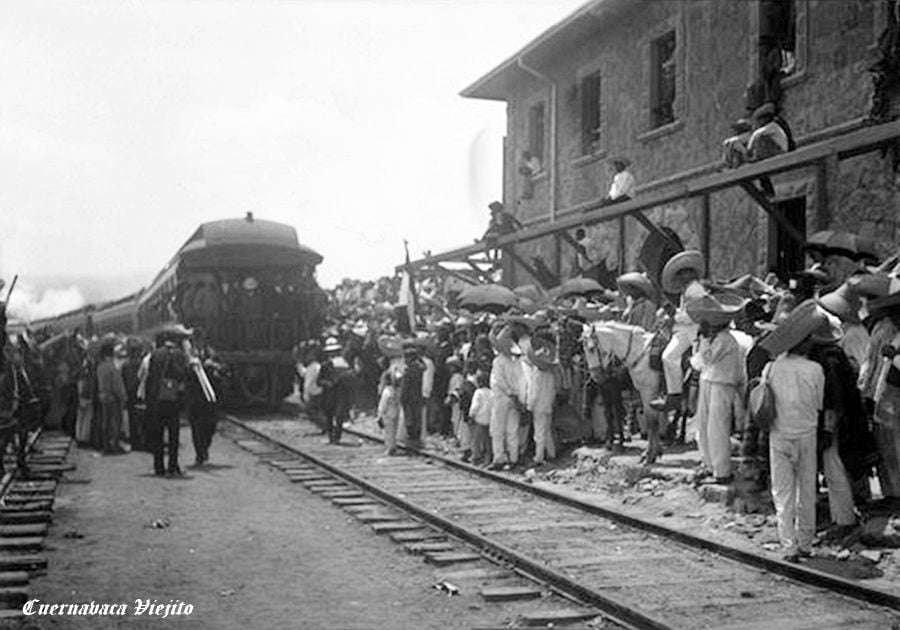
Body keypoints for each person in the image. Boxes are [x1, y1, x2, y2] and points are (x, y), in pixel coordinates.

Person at [760, 301, 827, 562]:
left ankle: (788, 546)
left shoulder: (772, 368)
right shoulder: (815, 370)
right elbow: (818, 405)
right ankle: (806, 544)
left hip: (779, 434)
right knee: (806, 490)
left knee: (782, 492)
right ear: (803, 343)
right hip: (807, 434)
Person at [653, 250, 705, 412]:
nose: (681, 277)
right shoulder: (687, 290)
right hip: (684, 330)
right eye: (680, 273)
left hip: (693, 331)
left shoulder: (695, 290)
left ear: (690, 273)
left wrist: (673, 316)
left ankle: (674, 394)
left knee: (668, 357)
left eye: (684, 273)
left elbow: (694, 314)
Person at [143, 329, 190, 476]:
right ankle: (172, 466)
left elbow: (149, 377)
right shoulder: (180, 355)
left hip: (158, 399)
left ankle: (159, 467)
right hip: (173, 400)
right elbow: (183, 377)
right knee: (173, 436)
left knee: (158, 435)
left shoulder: (155, 354)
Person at [488, 324, 525, 470]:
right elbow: (522, 381)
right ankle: (513, 458)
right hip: (515, 398)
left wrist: (510, 393)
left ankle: (499, 459)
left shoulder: (498, 361)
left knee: (497, 430)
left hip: (501, 398)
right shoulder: (517, 362)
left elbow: (499, 381)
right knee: (512, 430)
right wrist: (518, 397)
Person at [185, 342, 220, 466]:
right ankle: (200, 454)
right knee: (196, 428)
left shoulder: (211, 353)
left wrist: (214, 366)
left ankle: (205, 448)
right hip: (195, 398)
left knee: (210, 427)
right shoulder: (189, 355)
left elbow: (222, 368)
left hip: (209, 399)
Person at [96, 340, 127, 455]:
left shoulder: (100, 366)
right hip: (113, 397)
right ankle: (114, 445)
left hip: (103, 395)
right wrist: (123, 396)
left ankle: (106, 445)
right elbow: (117, 384)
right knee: (115, 422)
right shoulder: (111, 367)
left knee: (105, 422)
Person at [399, 342, 426, 449]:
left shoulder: (408, 371)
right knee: (417, 418)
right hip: (417, 396)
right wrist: (419, 358)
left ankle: (411, 441)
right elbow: (424, 366)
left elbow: (405, 387)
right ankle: (416, 439)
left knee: (409, 419)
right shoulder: (420, 368)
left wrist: (402, 398)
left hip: (409, 398)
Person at [468, 371, 493, 467]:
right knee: (487, 441)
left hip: (479, 420)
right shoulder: (492, 392)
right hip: (489, 419)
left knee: (476, 440)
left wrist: (471, 415)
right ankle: (487, 458)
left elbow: (475, 406)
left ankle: (476, 457)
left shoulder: (478, 392)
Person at [377, 367, 402, 455]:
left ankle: (390, 448)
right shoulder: (398, 390)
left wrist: (379, 414)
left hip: (387, 413)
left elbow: (383, 404)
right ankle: (393, 446)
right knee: (394, 431)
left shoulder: (387, 391)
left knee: (388, 431)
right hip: (396, 411)